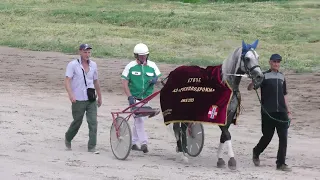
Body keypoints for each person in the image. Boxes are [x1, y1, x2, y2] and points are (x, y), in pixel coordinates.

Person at [248, 53, 292, 171]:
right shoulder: (264, 76)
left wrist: (288, 110)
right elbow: (250, 88)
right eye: (274, 62)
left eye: (278, 62)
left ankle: (281, 163)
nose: (276, 64)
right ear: (270, 62)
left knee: (283, 138)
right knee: (267, 137)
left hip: (281, 112)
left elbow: (284, 95)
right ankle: (256, 152)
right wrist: (254, 80)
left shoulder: (282, 77)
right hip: (268, 112)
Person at [121, 43, 162, 153]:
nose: (144, 58)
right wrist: (129, 96)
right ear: (136, 56)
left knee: (139, 120)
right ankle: (144, 143)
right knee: (139, 120)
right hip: (134, 98)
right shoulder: (130, 66)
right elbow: (124, 82)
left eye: (145, 55)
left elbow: (158, 76)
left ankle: (134, 143)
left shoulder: (152, 65)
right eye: (141, 56)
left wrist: (155, 79)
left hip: (146, 99)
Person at [64, 43, 102, 153]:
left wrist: (99, 96)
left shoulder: (94, 65)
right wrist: (71, 94)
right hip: (78, 99)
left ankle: (92, 147)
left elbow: (96, 81)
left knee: (93, 122)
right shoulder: (73, 65)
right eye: (85, 52)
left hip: (91, 98)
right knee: (77, 121)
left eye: (89, 52)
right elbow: (67, 81)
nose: (87, 54)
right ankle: (68, 137)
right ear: (80, 52)